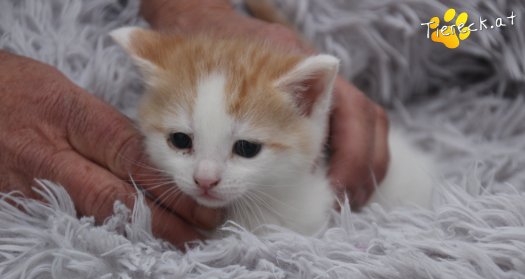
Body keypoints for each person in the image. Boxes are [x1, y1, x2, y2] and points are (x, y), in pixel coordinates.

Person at [0, 0, 389, 248]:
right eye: (181, 140)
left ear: (307, 103)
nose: (206, 176)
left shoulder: (304, 217)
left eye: (246, 147)